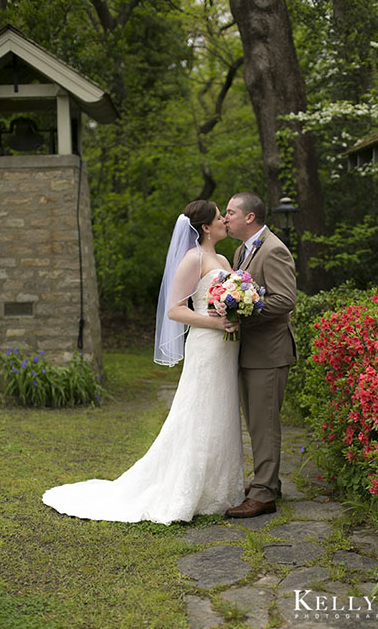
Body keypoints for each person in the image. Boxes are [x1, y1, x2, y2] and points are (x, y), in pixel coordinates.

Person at [42, 200, 245, 524]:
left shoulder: (221, 258)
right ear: (205, 227)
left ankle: (221, 489)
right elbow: (175, 310)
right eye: (220, 217)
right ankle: (188, 490)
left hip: (226, 347)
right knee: (199, 413)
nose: (225, 221)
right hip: (207, 346)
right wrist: (217, 322)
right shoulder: (192, 259)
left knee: (222, 412)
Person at [222, 192, 297, 518]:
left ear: (249, 217)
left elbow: (285, 300)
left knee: (265, 424)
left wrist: (245, 311)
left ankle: (264, 495)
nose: (226, 219)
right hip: (249, 351)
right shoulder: (242, 250)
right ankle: (268, 481)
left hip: (269, 352)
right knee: (255, 422)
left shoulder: (274, 250)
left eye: (230, 213)